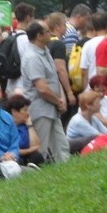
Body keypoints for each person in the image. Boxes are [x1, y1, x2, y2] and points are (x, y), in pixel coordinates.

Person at [21, 21, 70, 163]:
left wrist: (61, 99)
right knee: (42, 148)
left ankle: (67, 170)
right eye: (48, 31)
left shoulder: (45, 51)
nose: (52, 33)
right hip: (40, 109)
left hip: (52, 107)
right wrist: (59, 101)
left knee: (61, 145)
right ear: (39, 36)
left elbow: (53, 78)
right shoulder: (32, 57)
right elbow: (42, 88)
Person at [5, 94, 43, 166]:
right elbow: (10, 151)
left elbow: (36, 145)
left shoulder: (24, 126)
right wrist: (30, 150)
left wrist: (29, 125)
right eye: (24, 110)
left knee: (37, 156)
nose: (27, 113)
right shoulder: (6, 127)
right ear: (14, 112)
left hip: (27, 157)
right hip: (12, 158)